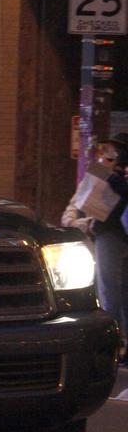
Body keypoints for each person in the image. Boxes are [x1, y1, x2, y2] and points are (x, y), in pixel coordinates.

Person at [82, 132, 128, 360]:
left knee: (109, 291)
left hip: (113, 236)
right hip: (115, 234)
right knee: (119, 290)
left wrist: (108, 174)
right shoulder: (117, 174)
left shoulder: (117, 175)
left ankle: (113, 344)